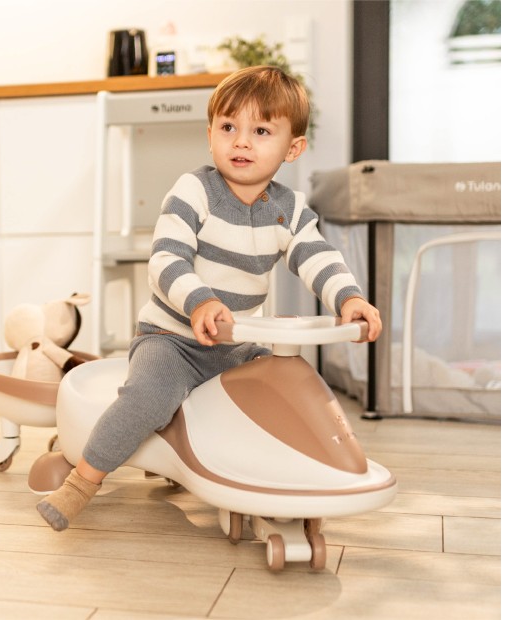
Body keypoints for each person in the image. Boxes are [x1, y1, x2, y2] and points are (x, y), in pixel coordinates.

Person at [36, 65, 382, 531]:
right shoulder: (195, 191)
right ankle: (82, 482)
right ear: (210, 134)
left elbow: (317, 257)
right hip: (172, 340)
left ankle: (263, 481)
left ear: (293, 148)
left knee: (280, 388)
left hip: (233, 345)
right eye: (228, 127)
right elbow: (166, 258)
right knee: (148, 398)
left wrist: (349, 298)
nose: (242, 142)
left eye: (261, 131)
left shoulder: (290, 210)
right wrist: (199, 301)